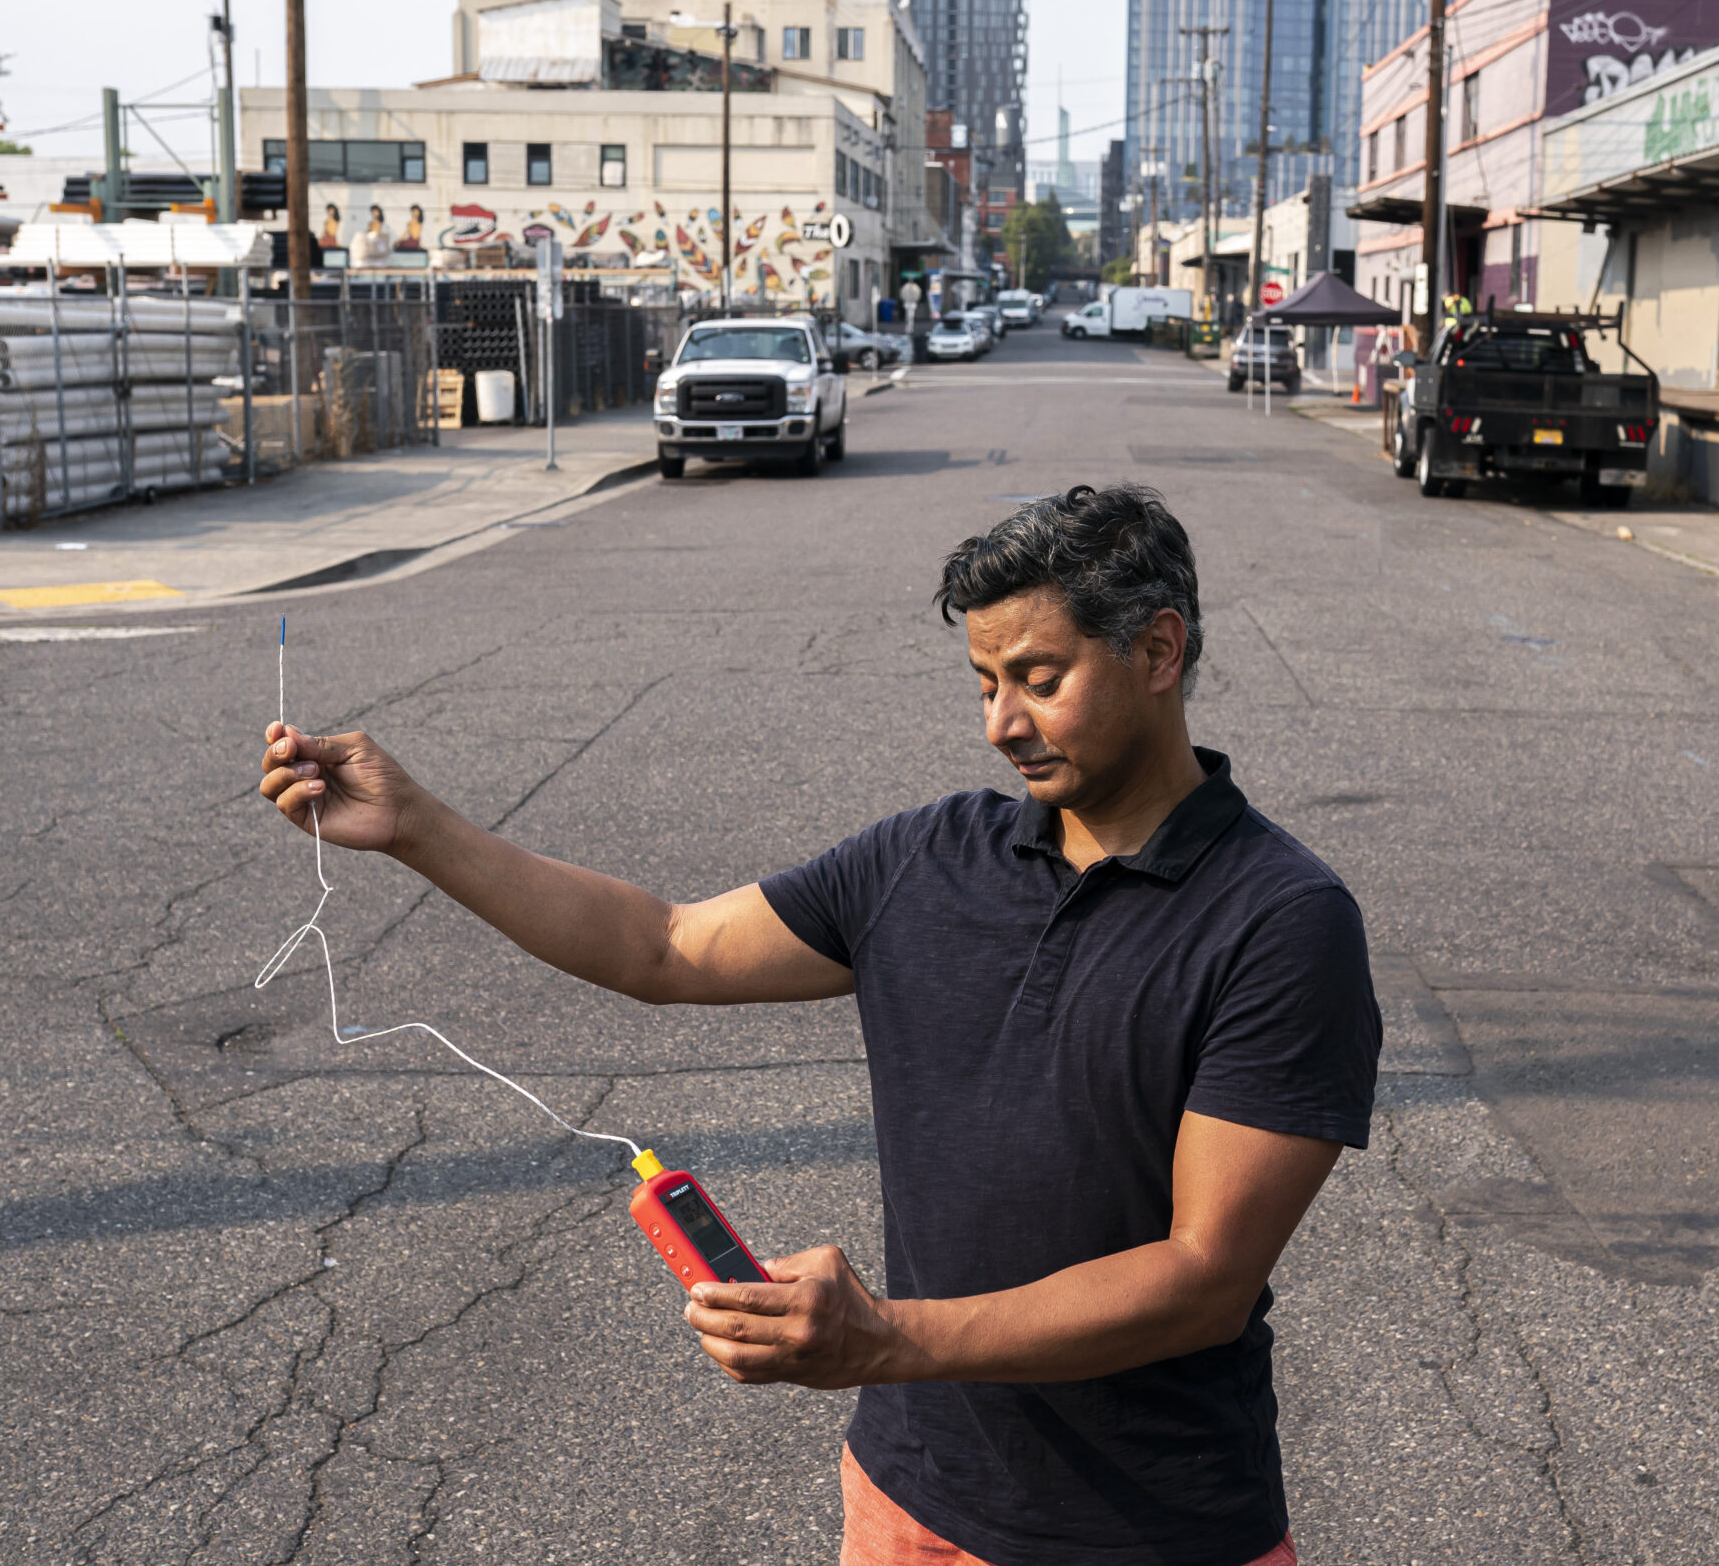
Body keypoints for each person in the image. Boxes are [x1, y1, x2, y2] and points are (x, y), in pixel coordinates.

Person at [256, 485, 1381, 1566]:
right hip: (909, 1497)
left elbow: (1202, 1277)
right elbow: (665, 947)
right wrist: (415, 827)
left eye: (1038, 678)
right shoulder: (931, 858)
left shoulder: (1278, 922)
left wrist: (887, 1341)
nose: (1001, 724)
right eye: (984, 681)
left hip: (1148, 1532)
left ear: (1158, 651)